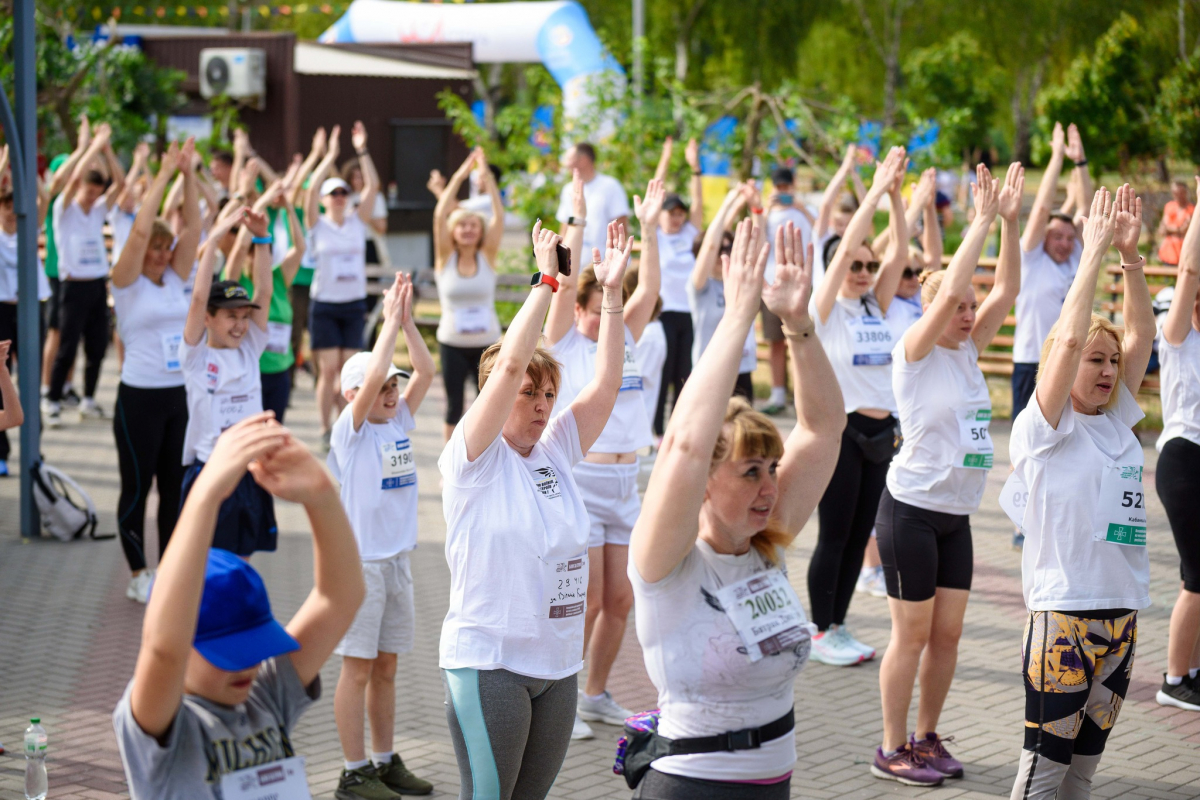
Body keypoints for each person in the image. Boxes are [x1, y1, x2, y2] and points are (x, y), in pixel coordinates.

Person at [627, 219, 844, 798]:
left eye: (771, 470)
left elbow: (824, 429)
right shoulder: (667, 560)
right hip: (692, 785)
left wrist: (798, 326)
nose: (769, 487)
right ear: (701, 483)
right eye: (750, 472)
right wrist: (738, 313)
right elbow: (685, 446)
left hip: (775, 780)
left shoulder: (765, 540)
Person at [439, 220, 630, 800]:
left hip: (557, 668)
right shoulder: (472, 456)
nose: (543, 406)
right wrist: (547, 281)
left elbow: (607, 384)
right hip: (490, 664)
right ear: (496, 394)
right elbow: (512, 361)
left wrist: (615, 297)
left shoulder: (554, 452)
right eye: (529, 393)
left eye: (549, 395)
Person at [112, 414, 366, 799]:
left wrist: (321, 495)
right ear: (186, 645)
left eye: (256, 648)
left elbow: (339, 599)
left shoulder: (263, 696)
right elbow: (163, 649)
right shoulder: (163, 726)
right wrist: (206, 494)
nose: (249, 664)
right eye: (230, 654)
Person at [871, 164, 1021, 786]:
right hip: (909, 509)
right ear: (931, 309)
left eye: (968, 307)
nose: (968, 312)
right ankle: (890, 747)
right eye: (956, 305)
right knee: (912, 635)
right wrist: (980, 219)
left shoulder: (967, 349)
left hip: (954, 516)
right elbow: (959, 279)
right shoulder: (916, 348)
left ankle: (928, 737)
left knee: (949, 635)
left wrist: (1009, 224)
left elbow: (1006, 290)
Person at [1005, 185, 1154, 800]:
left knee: (1084, 773)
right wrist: (1090, 253)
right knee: (1043, 774)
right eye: (1095, 360)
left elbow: (1142, 337)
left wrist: (1131, 260)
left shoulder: (1116, 422)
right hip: (1062, 619)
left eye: (1111, 363)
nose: (1106, 371)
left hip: (1121, 619)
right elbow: (1064, 342)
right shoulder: (1043, 428)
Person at [544, 176, 663, 740]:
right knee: (586, 599)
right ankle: (559, 701)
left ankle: (594, 694)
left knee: (620, 600)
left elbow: (651, 288)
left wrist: (650, 230)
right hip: (583, 478)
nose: (595, 318)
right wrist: (579, 215)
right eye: (589, 309)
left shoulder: (624, 335)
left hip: (626, 483)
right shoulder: (566, 342)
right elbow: (563, 283)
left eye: (600, 309)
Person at [329, 273, 435, 799]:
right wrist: (388, 322)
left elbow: (428, 368)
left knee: (388, 667)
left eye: (396, 386)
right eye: (382, 386)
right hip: (362, 567)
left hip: (397, 562)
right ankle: (353, 771)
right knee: (358, 668)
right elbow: (371, 379)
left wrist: (408, 323)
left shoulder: (398, 421)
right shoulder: (349, 433)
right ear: (353, 394)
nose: (392, 393)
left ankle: (384, 759)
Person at [807, 146, 908, 666]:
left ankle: (839, 625)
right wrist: (872, 192)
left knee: (858, 539)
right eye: (856, 264)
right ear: (837, 266)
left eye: (871, 264)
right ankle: (819, 629)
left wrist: (895, 195)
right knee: (836, 534)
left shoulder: (874, 302)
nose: (866, 270)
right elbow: (846, 242)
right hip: (841, 434)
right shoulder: (824, 309)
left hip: (881, 435)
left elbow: (902, 249)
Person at [109, 140, 202, 603]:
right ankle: (138, 572)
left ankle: (166, 570)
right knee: (136, 487)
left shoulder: (175, 280)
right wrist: (162, 173)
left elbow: (196, 225)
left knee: (173, 488)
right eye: (157, 248)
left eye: (168, 249)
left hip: (177, 398)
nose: (162, 255)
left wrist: (188, 175)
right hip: (138, 398)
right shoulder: (126, 282)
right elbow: (140, 232)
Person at [178, 207, 276, 557]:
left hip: (249, 472)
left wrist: (262, 239)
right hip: (211, 473)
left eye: (244, 317)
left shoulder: (250, 348)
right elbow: (198, 298)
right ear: (208, 318)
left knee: (243, 561)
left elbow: (264, 292)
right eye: (230, 316)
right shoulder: (195, 357)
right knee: (206, 563)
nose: (240, 324)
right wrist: (215, 239)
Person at [45, 122, 126, 425]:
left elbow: (121, 183)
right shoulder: (63, 210)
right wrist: (90, 146)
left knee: (96, 346)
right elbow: (66, 180)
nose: (93, 197)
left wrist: (106, 150)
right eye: (89, 192)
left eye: (97, 192)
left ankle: (89, 398)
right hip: (72, 286)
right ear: (80, 186)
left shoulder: (99, 209)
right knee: (67, 346)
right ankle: (52, 399)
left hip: (96, 285)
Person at [1155, 176, 1200, 712]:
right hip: (1184, 458)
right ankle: (1172, 681)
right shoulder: (1176, 336)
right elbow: (1186, 268)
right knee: (1197, 576)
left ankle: (1192, 670)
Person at [305, 122, 379, 447]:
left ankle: (345, 425)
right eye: (332, 193)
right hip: (324, 304)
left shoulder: (356, 222)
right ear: (323, 199)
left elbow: (373, 186)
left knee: (350, 373)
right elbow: (307, 192)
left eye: (342, 192)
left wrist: (361, 149)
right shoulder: (317, 225)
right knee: (329, 370)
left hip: (352, 303)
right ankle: (325, 429)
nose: (338, 197)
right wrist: (327, 155)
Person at [1011, 122, 1090, 421]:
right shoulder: (1031, 257)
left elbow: (1086, 208)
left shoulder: (1075, 260)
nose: (1065, 244)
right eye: (1057, 237)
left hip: (1068, 361)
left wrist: (1080, 161)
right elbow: (1042, 209)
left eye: (1070, 239)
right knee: (1026, 447)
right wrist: (1057, 156)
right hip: (1031, 362)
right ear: (1044, 237)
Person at [433, 147, 504, 443]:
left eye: (474, 225)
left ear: (481, 231)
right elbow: (440, 213)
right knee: (454, 407)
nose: (468, 230)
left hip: (486, 344)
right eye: (462, 225)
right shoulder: (444, 257)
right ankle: (451, 466)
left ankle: (485, 458)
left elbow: (498, 213)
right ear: (453, 231)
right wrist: (463, 173)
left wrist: (486, 174)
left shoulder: (487, 255)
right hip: (452, 343)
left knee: (487, 405)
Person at [226, 168, 307, 423]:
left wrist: (288, 208)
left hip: (280, 371)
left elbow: (300, 247)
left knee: (273, 438)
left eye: (267, 249)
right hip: (251, 372)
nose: (261, 254)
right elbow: (239, 248)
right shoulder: (237, 284)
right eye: (257, 249)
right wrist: (259, 207)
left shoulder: (278, 277)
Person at [0, 163, 51, 476]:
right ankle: (1, 452)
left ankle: (34, 448)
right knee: (0, 378)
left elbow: (43, 200)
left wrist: (25, 169)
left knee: (30, 380)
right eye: (5, 206)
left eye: (13, 206)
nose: (10, 212)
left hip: (29, 309)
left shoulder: (29, 227)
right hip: (1, 309)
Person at [651, 139, 704, 436]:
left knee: (685, 374)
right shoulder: (655, 235)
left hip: (689, 314)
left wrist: (695, 167)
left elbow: (698, 204)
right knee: (663, 371)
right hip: (664, 313)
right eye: (671, 212)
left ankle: (680, 428)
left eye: (680, 212)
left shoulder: (689, 234)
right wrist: (666, 156)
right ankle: (657, 431)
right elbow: (654, 192)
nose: (677, 216)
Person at [687, 185, 758, 401]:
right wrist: (728, 203)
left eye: (729, 249)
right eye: (720, 250)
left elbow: (755, 246)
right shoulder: (699, 286)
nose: (723, 254)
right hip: (710, 368)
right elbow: (710, 244)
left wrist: (755, 209)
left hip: (741, 367)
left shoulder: (738, 281)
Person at [761, 166, 815, 414]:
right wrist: (766, 210)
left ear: (794, 184)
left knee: (804, 339)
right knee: (776, 342)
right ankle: (778, 395)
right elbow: (759, 242)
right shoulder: (768, 214)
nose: (783, 191)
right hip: (774, 284)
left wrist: (801, 207)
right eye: (779, 187)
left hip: (804, 284)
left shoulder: (806, 211)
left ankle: (802, 396)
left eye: (787, 186)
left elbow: (822, 233)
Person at [555, 141, 631, 256]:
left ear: (583, 160)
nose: (567, 164)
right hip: (575, 265)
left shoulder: (610, 186)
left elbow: (621, 229)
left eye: (569, 159)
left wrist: (613, 261)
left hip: (604, 263)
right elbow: (564, 229)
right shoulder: (568, 189)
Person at [1157, 179, 1194, 267]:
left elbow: (1185, 230)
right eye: (1175, 192)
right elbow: (1162, 229)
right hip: (1168, 252)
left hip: (1185, 252)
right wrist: (1177, 229)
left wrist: (1170, 229)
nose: (1178, 195)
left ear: (1185, 192)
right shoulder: (1169, 206)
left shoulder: (1192, 209)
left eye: (1180, 192)